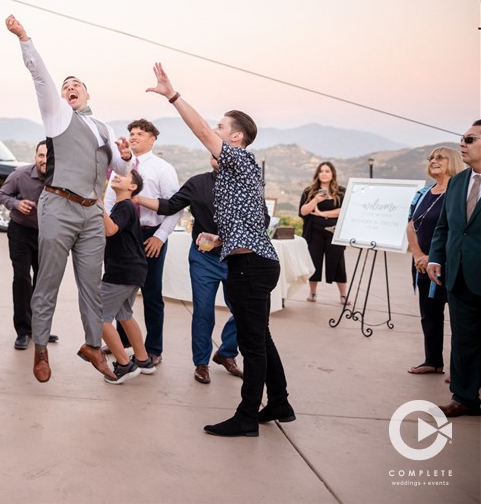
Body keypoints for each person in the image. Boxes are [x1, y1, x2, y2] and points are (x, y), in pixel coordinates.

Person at [146, 62, 292, 438]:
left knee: (251, 344)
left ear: (238, 138)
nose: (214, 131)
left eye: (221, 127)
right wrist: (220, 239)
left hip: (251, 267)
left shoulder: (240, 159)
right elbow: (254, 222)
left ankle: (247, 416)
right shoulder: (233, 176)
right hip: (252, 261)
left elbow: (197, 129)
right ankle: (279, 403)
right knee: (261, 338)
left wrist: (172, 95)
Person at [5, 15, 132, 383]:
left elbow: (120, 167)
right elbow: (41, 76)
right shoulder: (57, 115)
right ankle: (41, 347)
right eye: (67, 86)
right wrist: (25, 37)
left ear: (88, 95)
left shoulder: (104, 128)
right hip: (58, 204)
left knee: (92, 283)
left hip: (92, 211)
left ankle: (93, 345)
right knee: (48, 279)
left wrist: (124, 153)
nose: (71, 87)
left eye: (77, 85)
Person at [144, 157, 243, 385]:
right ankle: (201, 363)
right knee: (203, 312)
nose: (217, 156)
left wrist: (224, 239)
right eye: (213, 152)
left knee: (243, 310)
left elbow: (262, 218)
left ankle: (226, 353)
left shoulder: (247, 184)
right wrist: (136, 197)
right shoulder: (197, 183)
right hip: (204, 257)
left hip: (237, 257)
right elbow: (170, 206)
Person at [104, 119, 179, 368]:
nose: (134, 136)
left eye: (140, 133)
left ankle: (153, 349)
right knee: (119, 290)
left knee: (152, 294)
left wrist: (160, 236)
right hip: (120, 233)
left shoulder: (163, 168)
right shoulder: (120, 167)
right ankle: (122, 342)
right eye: (131, 133)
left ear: (152, 139)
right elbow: (107, 202)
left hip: (150, 235)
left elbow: (175, 208)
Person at [427, 121, 481, 418]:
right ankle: (463, 398)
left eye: (470, 139)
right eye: (462, 138)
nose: (463, 143)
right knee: (462, 339)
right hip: (458, 275)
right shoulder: (459, 181)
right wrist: (436, 258)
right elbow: (444, 226)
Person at [406, 148, 464, 375]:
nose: (433, 161)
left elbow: (460, 230)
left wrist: (436, 257)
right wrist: (418, 255)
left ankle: (461, 372)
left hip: (451, 265)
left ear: (454, 161)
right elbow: (411, 225)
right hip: (421, 264)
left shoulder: (460, 193)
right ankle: (433, 361)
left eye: (440, 157)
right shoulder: (422, 193)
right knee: (429, 314)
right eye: (431, 158)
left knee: (460, 320)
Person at [0, 140, 58, 350]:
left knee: (43, 281)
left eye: (48, 156)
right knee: (22, 278)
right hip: (21, 230)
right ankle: (23, 331)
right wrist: (17, 204)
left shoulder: (61, 179)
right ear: (35, 157)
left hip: (48, 235)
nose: (44, 160)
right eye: (41, 155)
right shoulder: (20, 175)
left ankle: (40, 329)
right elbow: (2, 195)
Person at [100, 170, 156, 384]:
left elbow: (111, 229)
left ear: (132, 187)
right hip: (133, 270)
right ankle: (143, 360)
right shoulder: (124, 207)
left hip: (121, 272)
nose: (117, 175)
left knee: (98, 317)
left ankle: (125, 365)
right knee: (124, 314)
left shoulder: (124, 206)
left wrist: (97, 202)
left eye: (123, 176)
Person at [299, 162, 348, 304]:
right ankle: (312, 292)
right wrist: (316, 200)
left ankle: (343, 295)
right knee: (314, 262)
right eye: (321, 171)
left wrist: (321, 213)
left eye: (327, 171)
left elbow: (344, 211)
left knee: (338, 262)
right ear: (317, 174)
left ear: (332, 173)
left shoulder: (341, 192)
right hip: (314, 233)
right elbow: (303, 211)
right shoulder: (309, 191)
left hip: (334, 233)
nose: (324, 173)